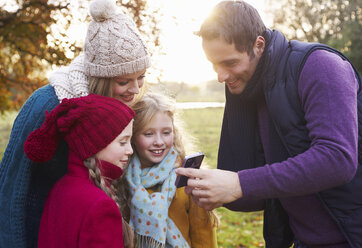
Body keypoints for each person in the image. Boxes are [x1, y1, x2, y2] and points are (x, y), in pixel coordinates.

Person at [176, 1, 362, 247]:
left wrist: (240, 183)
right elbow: (258, 193)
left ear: (258, 45)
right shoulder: (247, 88)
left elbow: (337, 159)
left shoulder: (321, 66)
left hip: (358, 236)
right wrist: (217, 188)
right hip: (304, 240)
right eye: (214, 64)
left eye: (230, 63)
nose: (221, 76)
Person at [0, 0, 150, 246]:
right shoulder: (48, 104)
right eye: (124, 81)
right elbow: (12, 190)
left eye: (141, 77)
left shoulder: (121, 109)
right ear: (100, 77)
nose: (135, 89)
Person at [24, 94, 135, 248]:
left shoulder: (59, 187)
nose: (130, 150)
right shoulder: (101, 206)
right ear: (94, 144)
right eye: (123, 142)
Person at [126, 92, 218, 248]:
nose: (159, 142)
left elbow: (202, 231)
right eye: (148, 134)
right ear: (133, 135)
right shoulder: (124, 177)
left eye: (166, 133)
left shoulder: (187, 176)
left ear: (174, 133)